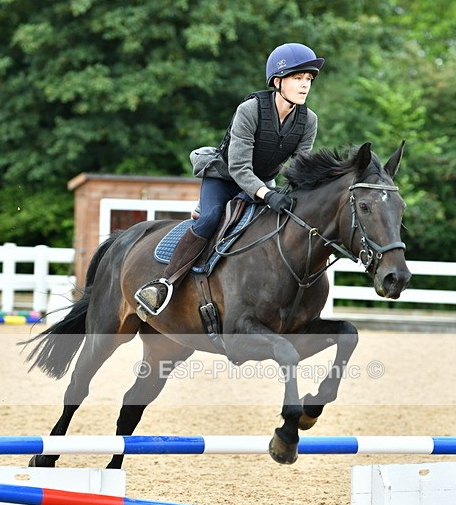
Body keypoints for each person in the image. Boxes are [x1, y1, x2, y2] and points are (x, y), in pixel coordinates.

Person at [135, 42, 324, 316]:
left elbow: (299, 168)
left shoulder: (309, 121)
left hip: (263, 183)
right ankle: (164, 283)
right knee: (211, 218)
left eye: (308, 79)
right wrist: (268, 195)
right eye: (298, 78)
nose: (305, 85)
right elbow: (239, 169)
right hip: (225, 178)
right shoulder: (250, 110)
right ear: (277, 81)